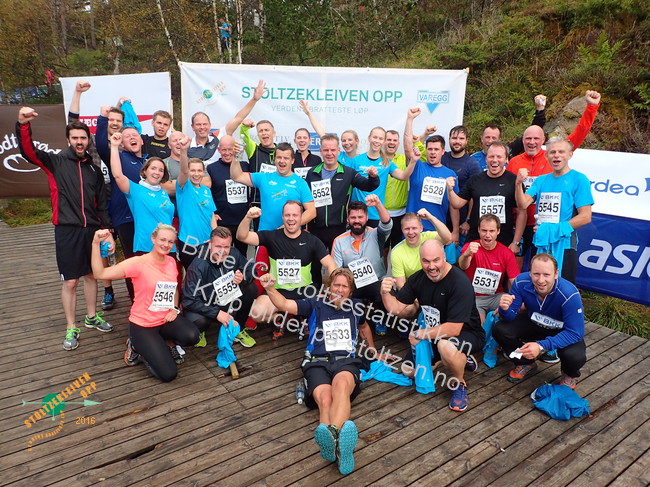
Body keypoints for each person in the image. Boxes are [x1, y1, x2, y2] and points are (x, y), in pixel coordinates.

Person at [260, 268, 375, 475]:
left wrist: (373, 350)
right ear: (329, 287)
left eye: (344, 286)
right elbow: (284, 304)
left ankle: (332, 437)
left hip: (345, 362)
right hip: (317, 362)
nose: (339, 289)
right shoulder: (315, 303)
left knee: (341, 386)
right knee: (325, 398)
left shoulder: (357, 306)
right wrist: (269, 288)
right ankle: (339, 448)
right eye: (336, 285)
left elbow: (364, 327)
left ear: (350, 290)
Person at [17, 107, 113, 350]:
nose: (79, 142)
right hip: (67, 230)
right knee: (71, 282)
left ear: (88, 140)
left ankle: (91, 316)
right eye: (75, 138)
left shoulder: (93, 169)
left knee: (91, 276)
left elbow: (101, 204)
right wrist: (23, 125)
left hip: (91, 231)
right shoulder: (56, 162)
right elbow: (28, 151)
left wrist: (107, 231)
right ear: (68, 139)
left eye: (83, 138)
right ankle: (71, 326)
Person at [381, 240, 485, 412]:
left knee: (446, 347)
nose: (431, 266)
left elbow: (454, 329)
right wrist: (384, 292)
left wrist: (420, 334)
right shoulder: (418, 279)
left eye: (436, 260)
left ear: (444, 257)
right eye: (426, 261)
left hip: (466, 333)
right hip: (434, 333)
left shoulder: (459, 282)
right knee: (408, 371)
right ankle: (458, 359)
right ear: (420, 260)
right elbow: (396, 309)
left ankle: (459, 383)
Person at [91, 225, 200, 382]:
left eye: (170, 242)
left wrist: (174, 308)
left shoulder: (171, 262)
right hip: (143, 325)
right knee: (169, 374)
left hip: (165, 319)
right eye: (162, 239)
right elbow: (99, 273)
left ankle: (167, 342)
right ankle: (135, 346)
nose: (166, 244)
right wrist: (95, 244)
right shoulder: (138, 263)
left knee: (192, 336)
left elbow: (174, 289)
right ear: (153, 239)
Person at [507, 90, 601, 264]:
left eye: (536, 138)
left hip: (552, 232)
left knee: (557, 275)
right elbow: (519, 201)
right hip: (525, 226)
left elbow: (579, 133)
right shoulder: (514, 162)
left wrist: (591, 108)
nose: (532, 142)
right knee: (527, 271)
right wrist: (518, 184)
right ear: (523, 140)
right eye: (528, 138)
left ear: (543, 141)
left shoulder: (556, 157)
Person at [237, 202, 337, 337]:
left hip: (305, 291)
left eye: (295, 215)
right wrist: (248, 217)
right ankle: (282, 318)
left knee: (330, 307)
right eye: (287, 215)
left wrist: (335, 287)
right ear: (282, 217)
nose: (291, 219)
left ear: (301, 217)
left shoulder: (312, 240)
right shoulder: (272, 236)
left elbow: (330, 265)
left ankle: (302, 315)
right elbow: (241, 236)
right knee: (256, 313)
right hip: (278, 291)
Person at [493, 253, 586, 389]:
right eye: (536, 274)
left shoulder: (569, 293)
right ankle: (525, 363)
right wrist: (504, 309)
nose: (541, 280)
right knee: (500, 329)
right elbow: (510, 317)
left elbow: (576, 333)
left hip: (561, 330)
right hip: (534, 323)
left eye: (546, 275)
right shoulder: (521, 282)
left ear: (556, 274)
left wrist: (541, 346)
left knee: (575, 356)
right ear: (530, 272)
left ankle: (568, 374)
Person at [515, 137, 594, 283]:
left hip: (564, 243)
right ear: (546, 156)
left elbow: (585, 216)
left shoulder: (579, 179)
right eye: (552, 152)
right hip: (541, 241)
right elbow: (523, 204)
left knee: (561, 287)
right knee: (538, 284)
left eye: (561, 152)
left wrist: (554, 228)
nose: (556, 155)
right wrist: (518, 184)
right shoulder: (541, 180)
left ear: (570, 155)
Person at [304, 133, 379, 286]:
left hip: (338, 229)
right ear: (320, 151)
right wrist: (303, 226)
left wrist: (373, 177)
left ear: (338, 151)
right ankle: (315, 296)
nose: (329, 153)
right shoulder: (312, 173)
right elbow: (305, 201)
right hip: (315, 229)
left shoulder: (348, 173)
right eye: (326, 150)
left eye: (333, 150)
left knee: (338, 270)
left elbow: (368, 186)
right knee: (314, 267)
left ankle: (339, 295)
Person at [96, 105, 145, 301]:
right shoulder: (119, 157)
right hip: (126, 219)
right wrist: (102, 118)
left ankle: (149, 299)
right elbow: (101, 146)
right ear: (121, 143)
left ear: (142, 139)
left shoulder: (148, 163)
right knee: (133, 261)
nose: (132, 137)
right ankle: (136, 301)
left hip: (146, 219)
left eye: (135, 135)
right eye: (127, 136)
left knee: (148, 260)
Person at [182, 227, 258, 349]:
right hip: (204, 303)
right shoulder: (198, 264)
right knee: (200, 322)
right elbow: (189, 300)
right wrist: (216, 313)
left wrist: (243, 277)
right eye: (218, 246)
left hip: (224, 298)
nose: (222, 251)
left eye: (226, 247)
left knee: (251, 289)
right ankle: (201, 332)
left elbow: (252, 269)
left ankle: (238, 328)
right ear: (209, 244)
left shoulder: (234, 253)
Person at [447, 141, 526, 252]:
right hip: (476, 241)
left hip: (503, 242)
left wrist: (515, 242)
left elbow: (521, 212)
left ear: (506, 159)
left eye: (499, 157)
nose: (494, 160)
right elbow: (457, 203)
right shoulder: (475, 180)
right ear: (486, 159)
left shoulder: (514, 181)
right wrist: (450, 190)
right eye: (491, 156)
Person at [332, 197, 392, 335]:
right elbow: (337, 272)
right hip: (353, 284)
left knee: (386, 291)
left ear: (366, 218)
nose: (357, 221)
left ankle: (380, 319)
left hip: (376, 280)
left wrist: (378, 204)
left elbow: (387, 223)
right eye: (353, 217)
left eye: (360, 217)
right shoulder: (339, 241)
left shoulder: (376, 234)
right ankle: (355, 321)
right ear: (348, 219)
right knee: (343, 293)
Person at [109, 132, 175, 254]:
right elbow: (118, 175)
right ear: (145, 171)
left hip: (168, 248)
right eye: (153, 168)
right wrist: (114, 146)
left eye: (161, 170)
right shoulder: (135, 190)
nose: (157, 172)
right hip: (146, 248)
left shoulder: (164, 193)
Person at [230, 142, 316, 231]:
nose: (282, 161)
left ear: (292, 160)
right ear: (274, 159)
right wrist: (236, 157)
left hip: (291, 235)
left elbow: (312, 211)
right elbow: (237, 177)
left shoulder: (301, 183)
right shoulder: (264, 178)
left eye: (286, 158)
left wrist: (292, 224)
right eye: (279, 157)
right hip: (266, 234)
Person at [403, 108, 460, 240]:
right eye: (429, 149)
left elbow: (454, 205)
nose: (432, 152)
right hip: (412, 230)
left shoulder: (450, 174)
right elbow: (407, 147)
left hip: (437, 231)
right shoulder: (417, 166)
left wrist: (455, 230)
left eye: (436, 149)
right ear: (426, 151)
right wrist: (410, 119)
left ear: (443, 151)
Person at [458, 214, 520, 323]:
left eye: (491, 231)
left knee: (509, 308)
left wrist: (507, 306)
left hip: (496, 297)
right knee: (479, 322)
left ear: (498, 231)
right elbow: (463, 266)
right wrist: (467, 254)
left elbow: (514, 282)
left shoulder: (506, 253)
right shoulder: (471, 247)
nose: (487, 235)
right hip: (474, 297)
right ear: (478, 230)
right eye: (484, 230)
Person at [188, 80, 266, 164]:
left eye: (205, 124)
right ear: (192, 127)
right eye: (198, 124)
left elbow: (238, 118)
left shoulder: (218, 136)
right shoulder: (187, 145)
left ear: (210, 125)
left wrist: (254, 99)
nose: (202, 127)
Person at [350, 127, 415, 226]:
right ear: (369, 138)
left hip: (376, 215)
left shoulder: (387, 163)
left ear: (384, 142)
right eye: (375, 137)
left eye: (380, 139)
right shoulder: (356, 160)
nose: (377, 141)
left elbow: (403, 176)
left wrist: (413, 161)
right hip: (357, 215)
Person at [470, 94, 547, 170]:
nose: (490, 141)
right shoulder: (473, 159)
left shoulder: (508, 151)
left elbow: (533, 132)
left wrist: (540, 110)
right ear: (481, 138)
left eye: (494, 138)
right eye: (487, 137)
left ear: (499, 139)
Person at [175, 136, 218, 269]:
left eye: (199, 170)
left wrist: (216, 237)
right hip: (189, 242)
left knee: (208, 275)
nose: (196, 174)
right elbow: (183, 171)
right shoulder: (184, 186)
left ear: (204, 172)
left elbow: (211, 215)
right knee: (192, 276)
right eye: (192, 170)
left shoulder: (206, 190)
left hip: (207, 242)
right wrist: (183, 151)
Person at [205, 134, 250, 256]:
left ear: (235, 148)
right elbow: (206, 194)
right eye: (224, 150)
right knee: (221, 256)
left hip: (242, 222)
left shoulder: (245, 166)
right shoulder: (211, 168)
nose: (227, 153)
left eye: (230, 149)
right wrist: (212, 213)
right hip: (222, 223)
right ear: (218, 150)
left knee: (241, 256)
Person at [390, 209, 452, 290]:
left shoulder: (430, 237)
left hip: (438, 284)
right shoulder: (396, 252)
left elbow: (448, 239)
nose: (411, 232)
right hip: (414, 289)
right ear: (402, 230)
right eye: (407, 229)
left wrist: (431, 218)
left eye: (414, 228)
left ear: (421, 228)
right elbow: (400, 285)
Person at [298, 100, 359, 166]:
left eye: (350, 140)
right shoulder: (337, 155)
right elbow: (321, 133)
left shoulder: (363, 159)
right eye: (344, 141)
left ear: (357, 141)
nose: (346, 143)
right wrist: (309, 113)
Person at [383, 129, 409, 248]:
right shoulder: (377, 160)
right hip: (381, 213)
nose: (391, 143)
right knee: (382, 249)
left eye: (395, 140)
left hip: (401, 214)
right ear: (383, 142)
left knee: (397, 248)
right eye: (389, 139)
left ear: (398, 143)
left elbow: (414, 156)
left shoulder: (404, 159)